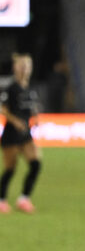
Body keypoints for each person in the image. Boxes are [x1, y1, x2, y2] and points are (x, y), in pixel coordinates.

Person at [0, 54, 42, 214]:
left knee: (35, 164)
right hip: (11, 135)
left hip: (25, 135)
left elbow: (32, 107)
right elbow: (3, 109)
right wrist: (15, 121)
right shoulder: (11, 88)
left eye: (27, 65)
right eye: (21, 65)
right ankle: (1, 200)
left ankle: (24, 199)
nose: (24, 68)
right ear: (15, 68)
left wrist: (36, 116)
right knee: (10, 168)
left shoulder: (31, 89)